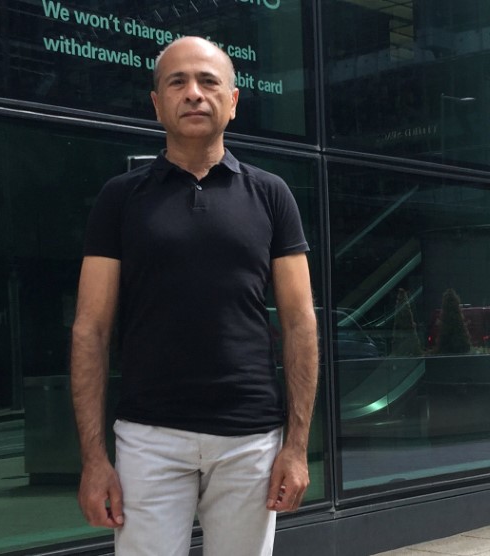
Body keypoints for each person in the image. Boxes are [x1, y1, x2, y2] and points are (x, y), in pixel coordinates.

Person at [70, 36, 319, 556]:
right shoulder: (120, 198)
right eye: (177, 82)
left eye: (208, 81)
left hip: (250, 439)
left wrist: (296, 448)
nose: (193, 93)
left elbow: (300, 323)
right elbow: (91, 328)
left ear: (232, 101)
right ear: (157, 102)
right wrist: (94, 460)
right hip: (148, 437)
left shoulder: (271, 194)